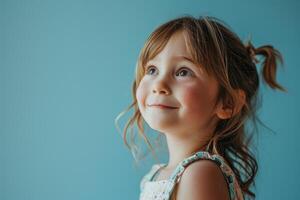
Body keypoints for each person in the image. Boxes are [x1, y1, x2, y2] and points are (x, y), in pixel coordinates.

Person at [115, 15, 287, 200]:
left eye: (183, 72)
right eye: (152, 70)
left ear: (227, 102)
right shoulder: (156, 175)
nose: (159, 84)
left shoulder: (200, 173)